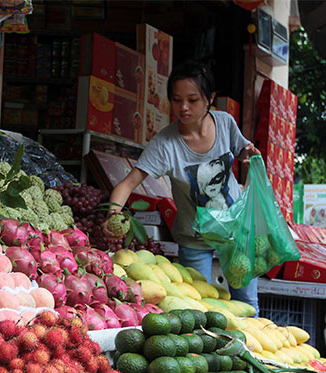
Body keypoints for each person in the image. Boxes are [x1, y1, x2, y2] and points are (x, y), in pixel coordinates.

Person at [103, 60, 261, 315]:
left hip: (236, 232)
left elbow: (240, 146)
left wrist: (246, 152)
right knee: (196, 309)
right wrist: (113, 215)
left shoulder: (225, 123)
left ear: (210, 98)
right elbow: (127, 183)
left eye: (193, 100)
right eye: (177, 100)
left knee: (248, 306)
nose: (183, 108)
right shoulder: (165, 144)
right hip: (194, 238)